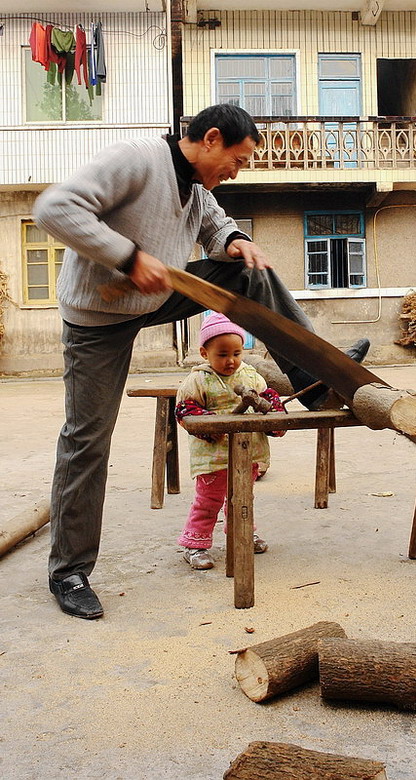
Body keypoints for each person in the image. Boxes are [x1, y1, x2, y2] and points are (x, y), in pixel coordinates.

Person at [34, 103, 369, 620]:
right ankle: (69, 572)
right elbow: (55, 208)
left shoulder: (197, 187)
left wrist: (235, 242)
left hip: (157, 293)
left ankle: (320, 381)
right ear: (211, 138)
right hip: (98, 315)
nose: (238, 170)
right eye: (238, 159)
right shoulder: (137, 158)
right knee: (87, 438)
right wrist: (127, 256)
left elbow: (218, 226)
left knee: (252, 273)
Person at [176, 312, 285, 570]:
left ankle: (242, 532)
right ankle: (195, 545)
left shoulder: (251, 377)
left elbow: (268, 401)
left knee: (243, 497)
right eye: (222, 355)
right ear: (204, 353)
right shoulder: (198, 379)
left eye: (236, 353)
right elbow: (185, 411)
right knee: (208, 501)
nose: (231, 361)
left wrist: (274, 417)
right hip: (214, 458)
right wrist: (210, 426)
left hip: (248, 453)